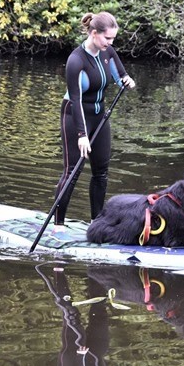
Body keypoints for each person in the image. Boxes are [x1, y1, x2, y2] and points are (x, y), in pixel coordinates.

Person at [54, 12, 136, 225]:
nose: (110, 43)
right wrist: (82, 135)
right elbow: (75, 99)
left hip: (99, 114)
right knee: (73, 171)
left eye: (113, 39)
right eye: (107, 38)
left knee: (101, 171)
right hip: (74, 115)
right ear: (93, 33)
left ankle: (96, 223)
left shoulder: (108, 52)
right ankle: (58, 225)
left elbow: (120, 76)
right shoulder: (76, 61)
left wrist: (127, 81)